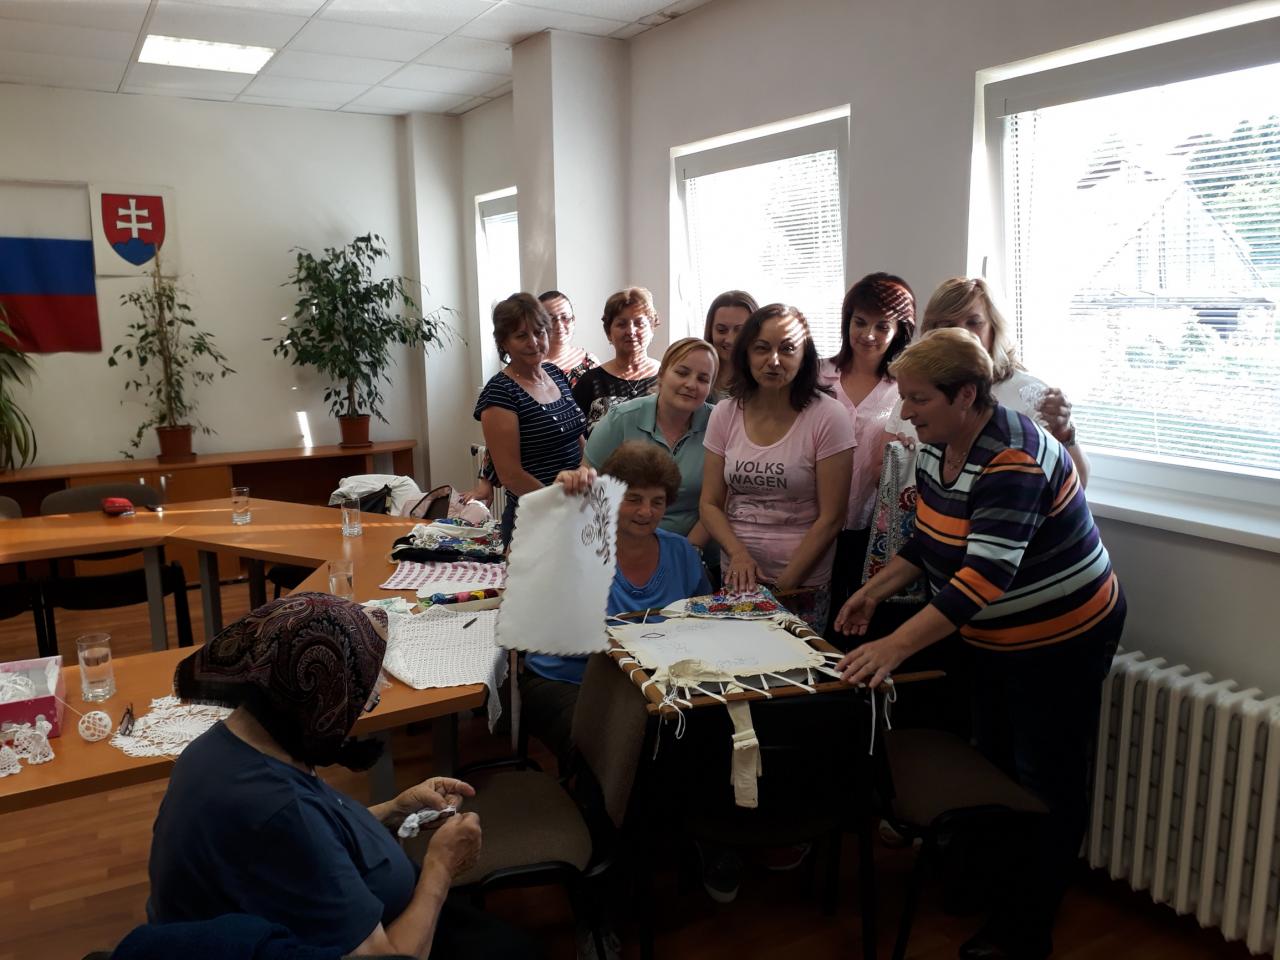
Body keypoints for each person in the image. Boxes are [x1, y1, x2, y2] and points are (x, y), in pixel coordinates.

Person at [833, 329, 1125, 960]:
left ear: (965, 395)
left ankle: (1027, 926)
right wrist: (872, 593)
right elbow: (931, 539)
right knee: (994, 759)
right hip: (994, 635)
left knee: (1046, 779)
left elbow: (984, 578)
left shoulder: (1013, 457)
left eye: (918, 398)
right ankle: (994, 881)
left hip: (1063, 637)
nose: (905, 410)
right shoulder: (938, 441)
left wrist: (895, 647)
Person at [148, 593, 533, 959]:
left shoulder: (224, 747)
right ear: (319, 699)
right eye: (361, 696)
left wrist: (393, 810)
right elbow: (386, 958)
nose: (361, 709)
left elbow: (311, 842)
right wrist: (441, 866)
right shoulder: (282, 810)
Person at [521, 441, 711, 767]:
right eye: (633, 499)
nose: (646, 512)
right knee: (617, 746)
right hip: (567, 680)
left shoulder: (681, 552)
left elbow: (701, 621)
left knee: (698, 734)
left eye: (657, 501)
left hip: (651, 681)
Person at [700, 304, 854, 634]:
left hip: (801, 584)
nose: (773, 360)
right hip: (738, 577)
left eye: (787, 349)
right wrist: (738, 555)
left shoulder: (829, 416)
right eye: (761, 348)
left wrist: (782, 588)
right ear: (746, 354)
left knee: (796, 664)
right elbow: (710, 503)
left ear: (804, 356)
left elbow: (832, 518)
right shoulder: (725, 413)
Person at [895, 277, 1089, 485]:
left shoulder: (1028, 394)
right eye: (948, 325)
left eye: (973, 323)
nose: (962, 333)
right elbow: (884, 475)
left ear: (994, 328)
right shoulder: (917, 389)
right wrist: (900, 458)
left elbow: (1078, 483)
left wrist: (1063, 432)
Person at [817, 273, 915, 639]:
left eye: (882, 326)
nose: (868, 334)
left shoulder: (905, 388)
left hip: (872, 525)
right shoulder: (818, 375)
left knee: (856, 621)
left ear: (899, 331)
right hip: (813, 518)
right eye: (860, 322)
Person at [473, 293, 588, 540]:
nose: (534, 342)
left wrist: (587, 481)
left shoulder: (555, 373)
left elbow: (577, 437)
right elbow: (511, 476)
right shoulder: (500, 392)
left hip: (576, 508)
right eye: (521, 336)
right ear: (504, 343)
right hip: (536, 518)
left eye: (539, 332)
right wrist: (559, 506)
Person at [585, 337, 717, 544]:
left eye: (703, 379)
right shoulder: (621, 418)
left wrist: (687, 551)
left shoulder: (718, 423)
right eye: (682, 373)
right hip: (623, 544)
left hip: (696, 547)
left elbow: (719, 501)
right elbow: (588, 484)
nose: (691, 384)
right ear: (662, 374)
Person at [571, 287, 661, 431]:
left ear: (651, 329)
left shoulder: (667, 377)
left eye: (639, 323)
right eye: (621, 324)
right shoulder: (590, 382)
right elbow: (575, 434)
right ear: (608, 333)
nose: (631, 331)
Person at [702, 290, 759, 400]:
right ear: (710, 331)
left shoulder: (763, 380)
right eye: (721, 330)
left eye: (740, 331)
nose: (730, 340)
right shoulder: (694, 372)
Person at [539, 289, 598, 387]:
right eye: (550, 319)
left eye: (565, 317)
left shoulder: (590, 362)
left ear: (573, 320)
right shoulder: (532, 368)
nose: (559, 325)